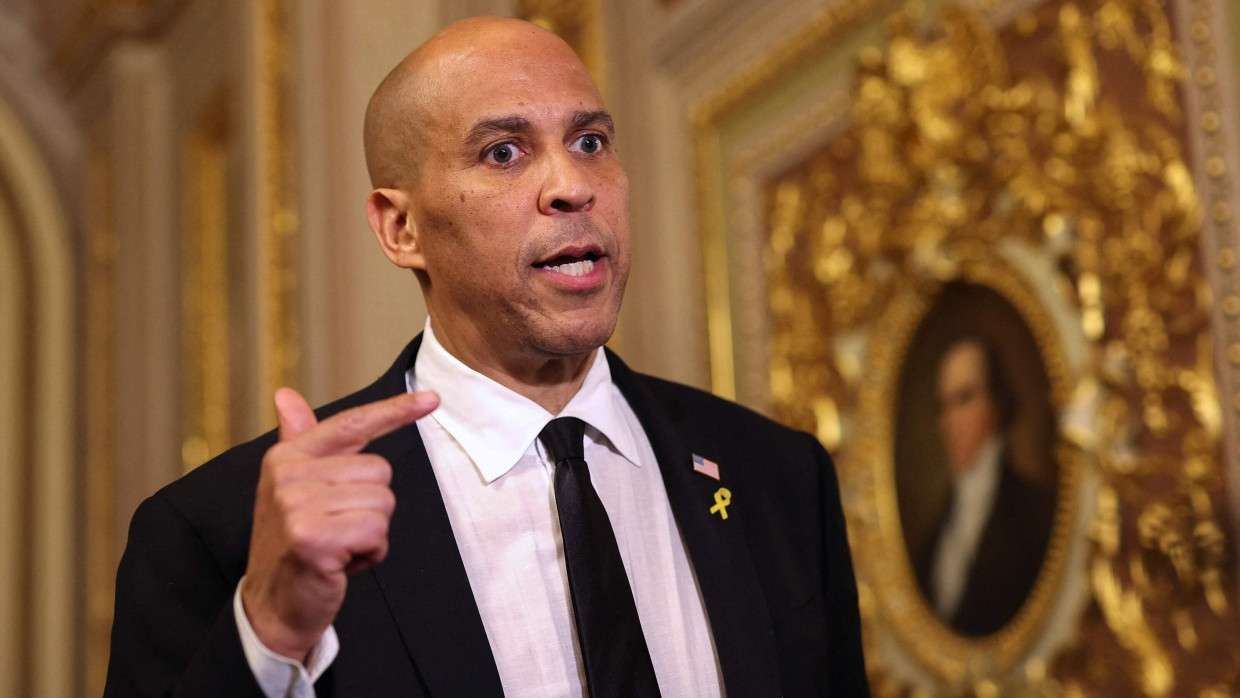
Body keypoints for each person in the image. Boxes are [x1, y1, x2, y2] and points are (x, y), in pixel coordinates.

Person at [104, 16, 867, 697]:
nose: (572, 186)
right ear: (401, 229)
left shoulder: (777, 477)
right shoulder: (220, 530)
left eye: (590, 142)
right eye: (503, 152)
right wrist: (268, 636)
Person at [913, 337, 1055, 637]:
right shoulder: (931, 537)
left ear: (997, 403)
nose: (950, 421)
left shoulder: (1035, 514)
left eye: (964, 398)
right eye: (944, 405)